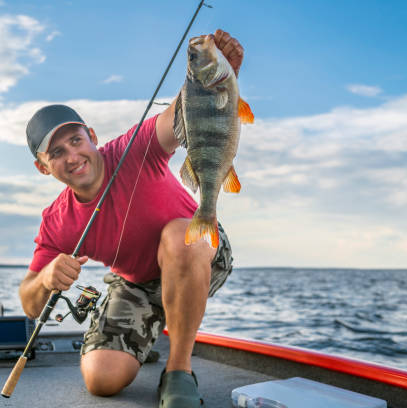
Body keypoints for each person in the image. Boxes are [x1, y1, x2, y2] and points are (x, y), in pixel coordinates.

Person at [19, 29, 244, 408]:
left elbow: (178, 116)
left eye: (75, 140)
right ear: (44, 168)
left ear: (90, 136)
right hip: (136, 284)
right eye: (56, 153)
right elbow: (29, 301)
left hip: (199, 251)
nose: (72, 156)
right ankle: (146, 336)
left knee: (178, 237)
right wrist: (45, 277)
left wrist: (212, 75)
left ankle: (179, 372)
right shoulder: (57, 221)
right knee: (101, 380)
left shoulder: (132, 149)